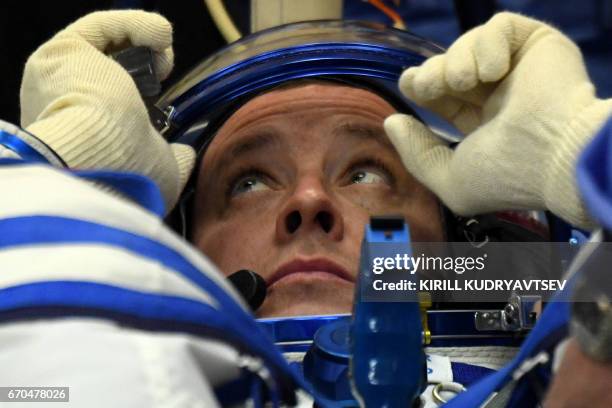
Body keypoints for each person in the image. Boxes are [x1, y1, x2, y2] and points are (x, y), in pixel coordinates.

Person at [4, 8, 611, 407]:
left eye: (366, 172)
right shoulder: (100, 379)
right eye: (248, 182)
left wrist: (576, 153)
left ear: (466, 245)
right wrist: (73, 155)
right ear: (184, 246)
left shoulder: (582, 361)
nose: (309, 200)